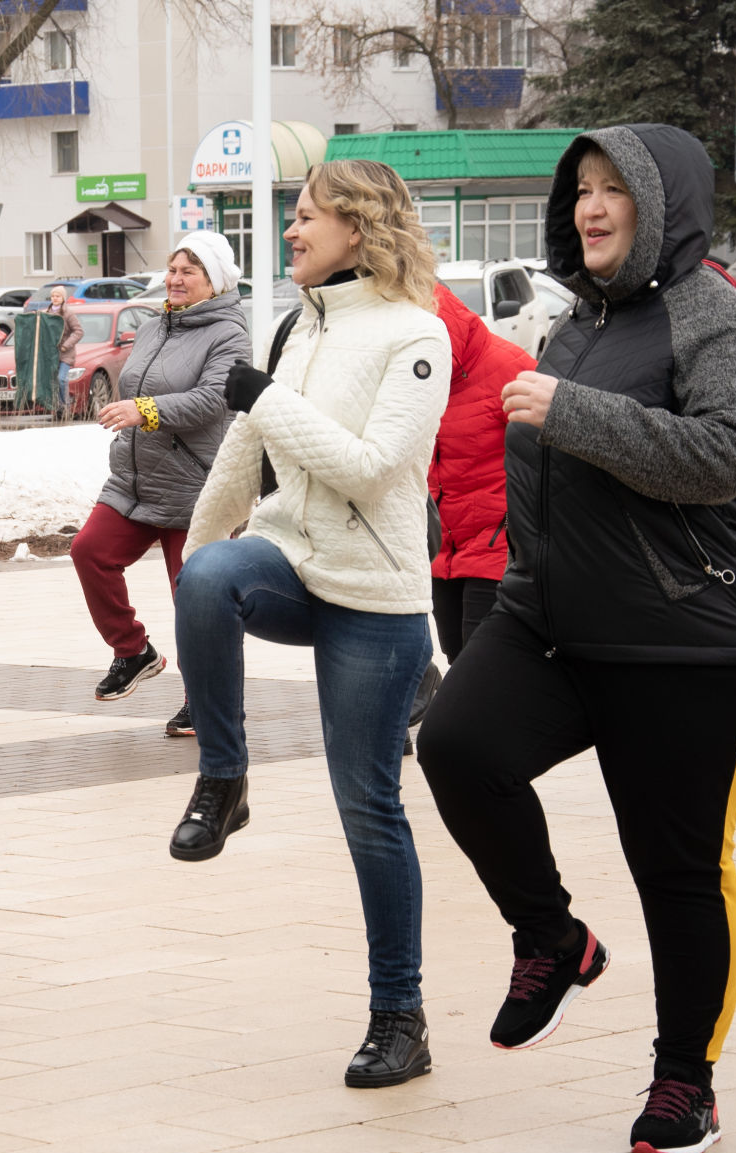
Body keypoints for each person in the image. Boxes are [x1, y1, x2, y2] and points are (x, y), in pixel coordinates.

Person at [417, 125, 736, 1153]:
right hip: (555, 621)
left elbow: (731, 456)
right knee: (455, 745)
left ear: (662, 200)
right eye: (579, 188)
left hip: (692, 636)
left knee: (677, 868)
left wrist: (571, 412)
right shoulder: (575, 323)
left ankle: (686, 1081)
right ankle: (553, 936)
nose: (590, 205)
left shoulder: (717, 316)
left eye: (613, 187)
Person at [177, 159, 449, 1088]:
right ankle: (224, 779)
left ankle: (399, 1017)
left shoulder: (417, 335)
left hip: (375, 599)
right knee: (212, 575)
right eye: (292, 216)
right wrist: (196, 570)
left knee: (369, 810)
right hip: (294, 567)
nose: (290, 231)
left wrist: (267, 398)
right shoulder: (300, 328)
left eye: (306, 217)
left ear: (359, 228)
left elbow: (371, 469)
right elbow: (242, 459)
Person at [70, 230, 248, 738]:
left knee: (196, 601)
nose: (174, 279)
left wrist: (144, 410)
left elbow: (215, 398)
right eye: (171, 269)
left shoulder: (229, 332)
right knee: (89, 552)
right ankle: (133, 651)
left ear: (212, 281)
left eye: (187, 271)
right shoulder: (154, 327)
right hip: (135, 480)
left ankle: (209, 702)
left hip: (194, 487)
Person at [430, 282, 533, 664]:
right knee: (454, 654)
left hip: (496, 546)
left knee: (481, 663)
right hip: (443, 549)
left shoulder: (510, 367)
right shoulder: (414, 374)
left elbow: (547, 459)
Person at [45, 285, 84, 418]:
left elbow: (78, 331)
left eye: (58, 296)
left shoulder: (68, 313)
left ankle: (65, 406)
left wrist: (65, 345)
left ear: (63, 298)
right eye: (53, 296)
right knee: (52, 382)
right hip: (51, 354)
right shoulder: (47, 313)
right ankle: (58, 409)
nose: (55, 298)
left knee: (61, 379)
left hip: (65, 353)